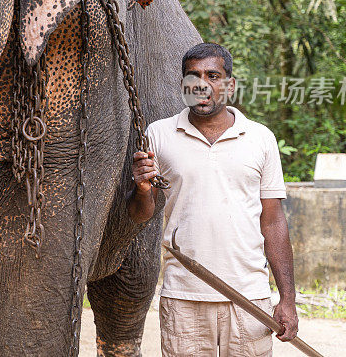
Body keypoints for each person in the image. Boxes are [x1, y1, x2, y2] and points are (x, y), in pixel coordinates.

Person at [127, 42, 298, 356]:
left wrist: (287, 299)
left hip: (249, 300)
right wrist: (141, 188)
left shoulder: (261, 138)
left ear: (229, 85)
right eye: (193, 76)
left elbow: (272, 222)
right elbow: (140, 216)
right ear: (183, 86)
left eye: (213, 75)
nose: (201, 84)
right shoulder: (158, 135)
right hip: (183, 299)